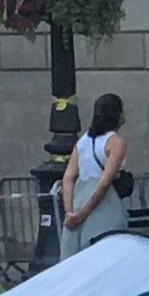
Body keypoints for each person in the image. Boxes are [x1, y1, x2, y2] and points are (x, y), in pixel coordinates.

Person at [60, 95, 132, 241]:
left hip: (79, 198)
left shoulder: (83, 141)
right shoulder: (116, 142)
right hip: (103, 204)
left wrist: (70, 212)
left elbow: (68, 177)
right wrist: (82, 215)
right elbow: (105, 182)